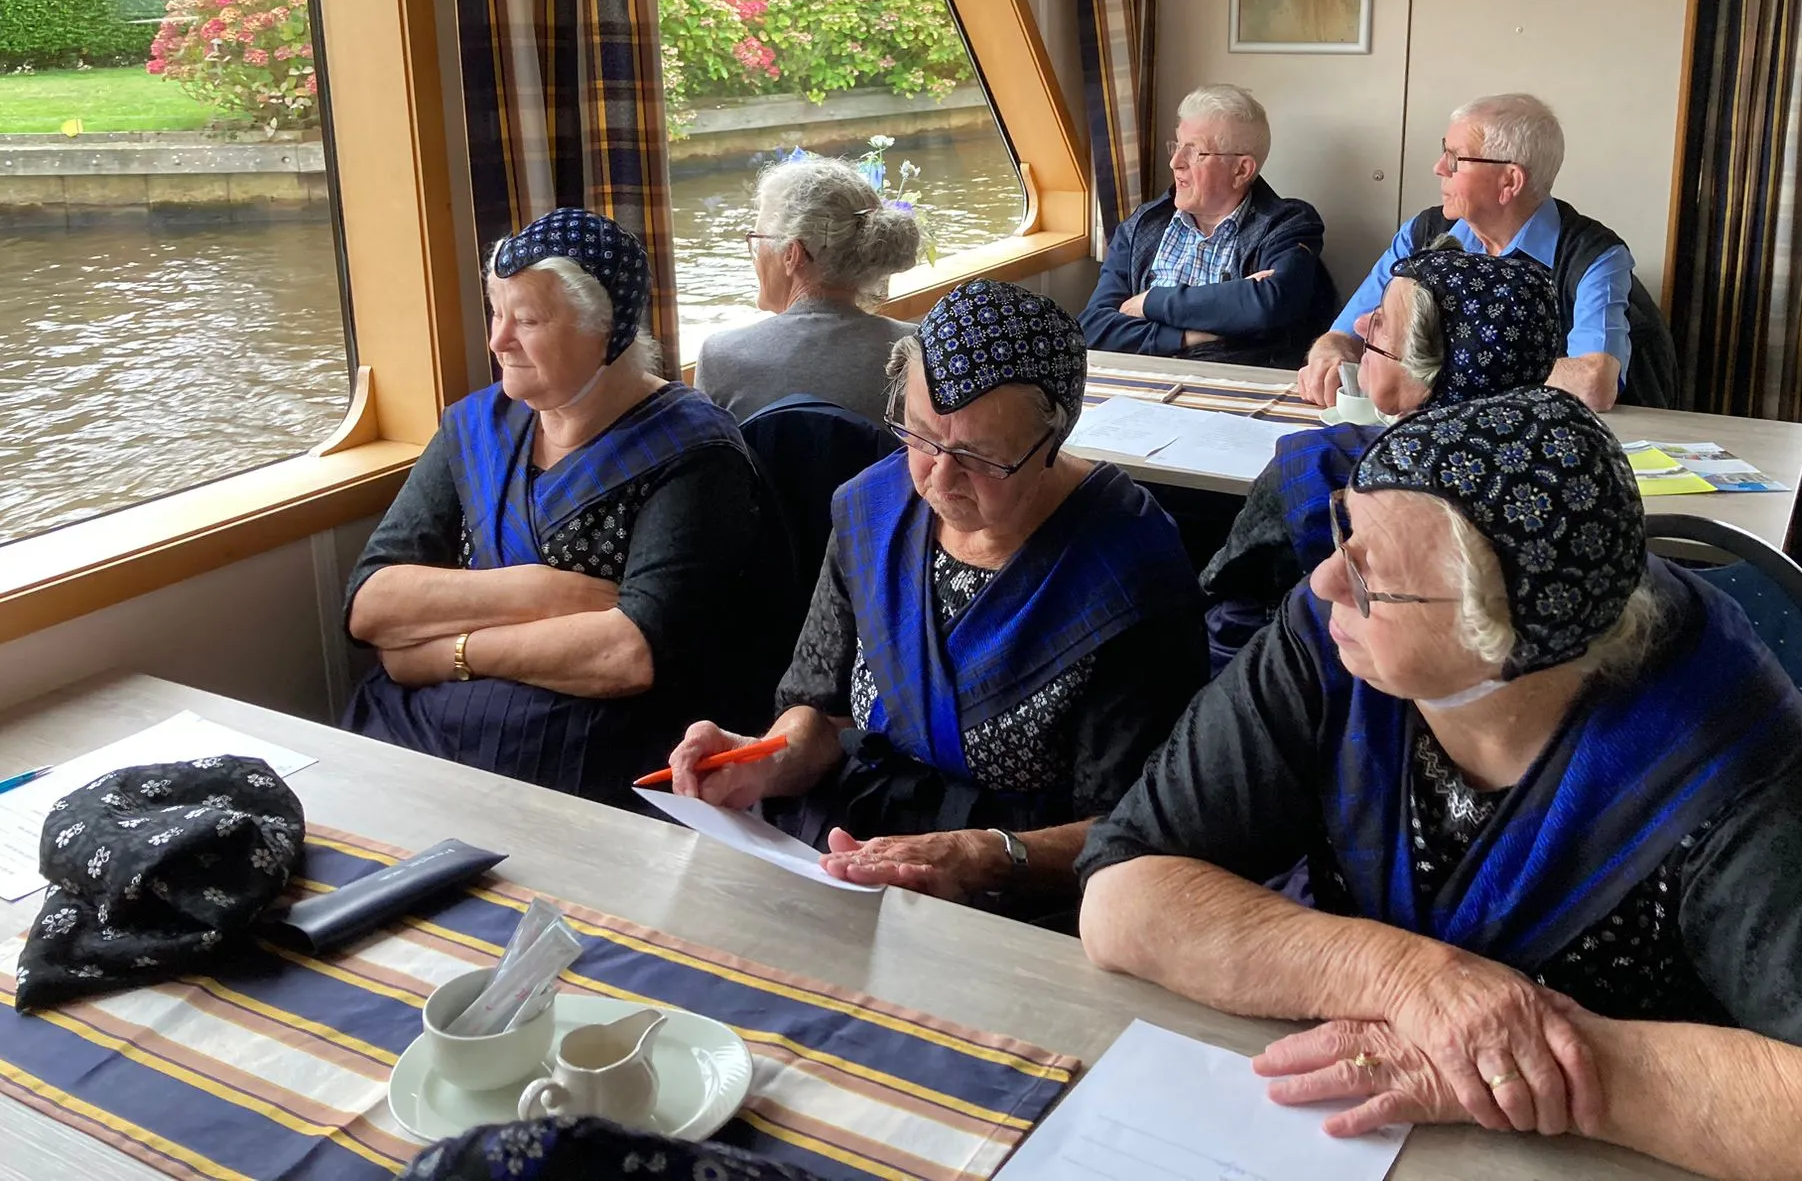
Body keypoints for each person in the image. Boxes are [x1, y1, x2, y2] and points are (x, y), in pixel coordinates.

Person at [1078, 386, 1802, 1181]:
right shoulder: (1329, 641)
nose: (1325, 579)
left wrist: (1536, 1061)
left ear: (1506, 641)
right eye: (1344, 533)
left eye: (1375, 577)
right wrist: (1409, 980)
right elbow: (1122, 898)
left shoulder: (1720, 757)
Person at [667, 280, 1207, 910]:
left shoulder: (1127, 572)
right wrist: (762, 758)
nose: (938, 477)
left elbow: (1133, 827)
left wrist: (990, 857)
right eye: (921, 435)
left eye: (979, 455)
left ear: (1051, 441)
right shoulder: (872, 511)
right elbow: (822, 713)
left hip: (1028, 886)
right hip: (849, 842)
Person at [343, 208, 797, 804]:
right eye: (496, 312)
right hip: (415, 729)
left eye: (526, 319)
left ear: (604, 331)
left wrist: (437, 654)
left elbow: (628, 653)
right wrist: (534, 592)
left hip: (583, 755)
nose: (497, 340)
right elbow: (370, 603)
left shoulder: (695, 454)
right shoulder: (475, 428)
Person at [1200, 248, 1560, 674]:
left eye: (1383, 322)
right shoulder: (1545, 478)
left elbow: (1227, 600)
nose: (1359, 324)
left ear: (1428, 367)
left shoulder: (1318, 464)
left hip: (1300, 675)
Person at [1299, 94, 1674, 412]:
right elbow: (1347, 334)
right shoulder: (1424, 233)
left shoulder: (1592, 254)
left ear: (1509, 181)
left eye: (1455, 158)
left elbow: (1594, 383)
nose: (1438, 168)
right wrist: (1328, 356)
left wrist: (1438, 368)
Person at [1080, 85, 1335, 368]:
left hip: (1235, 389)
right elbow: (1093, 327)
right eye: (1177, 146)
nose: (1175, 162)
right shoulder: (1142, 226)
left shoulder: (1287, 224)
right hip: (1143, 384)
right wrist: (1187, 336)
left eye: (1195, 152)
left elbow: (1267, 305)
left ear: (1241, 170)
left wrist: (1150, 302)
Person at [695, 157, 924, 427]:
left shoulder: (721, 357)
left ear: (792, 255)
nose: (755, 258)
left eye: (757, 241)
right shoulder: (915, 350)